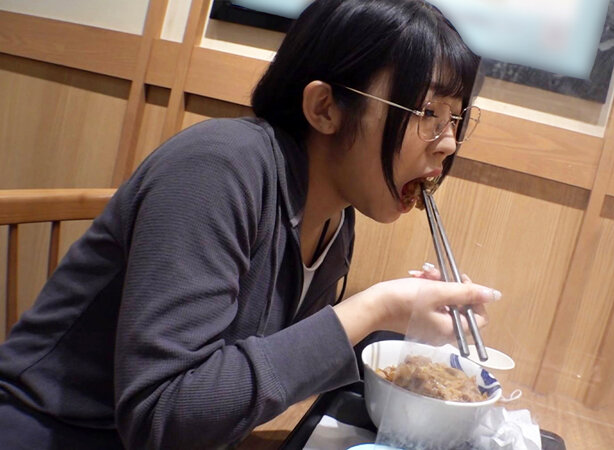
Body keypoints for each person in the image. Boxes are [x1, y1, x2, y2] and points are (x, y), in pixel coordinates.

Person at [0, 0, 501, 448]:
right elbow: (163, 417)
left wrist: (401, 320)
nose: (447, 143)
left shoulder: (335, 216)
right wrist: (374, 307)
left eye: (455, 119)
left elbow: (264, 370)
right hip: (47, 430)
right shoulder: (216, 169)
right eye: (427, 112)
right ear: (324, 108)